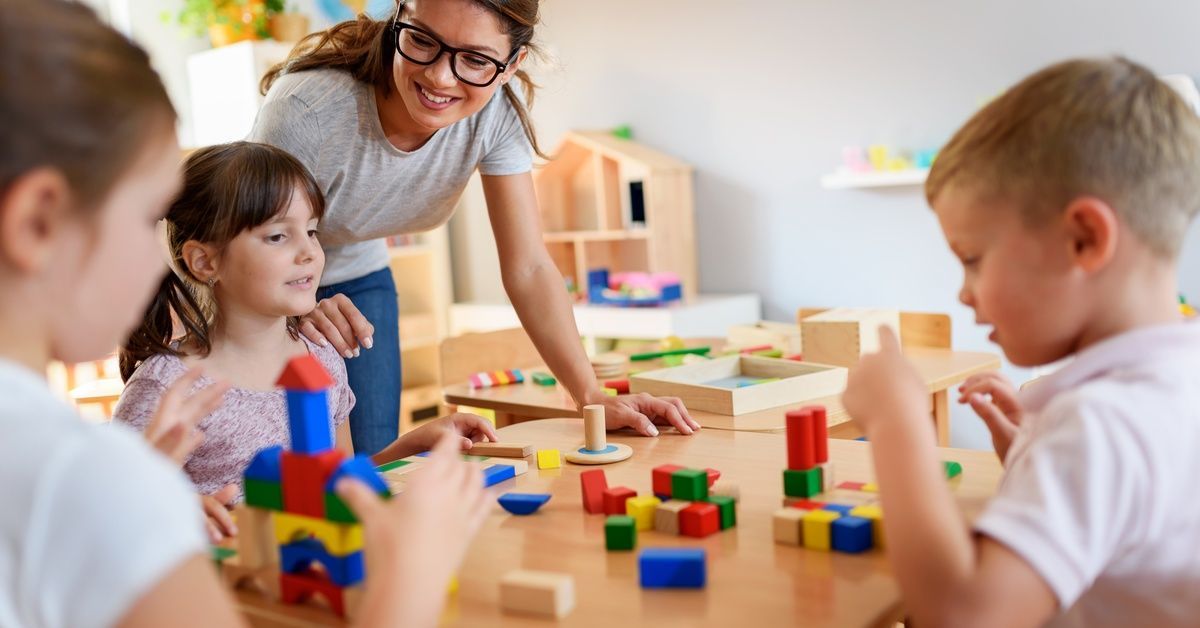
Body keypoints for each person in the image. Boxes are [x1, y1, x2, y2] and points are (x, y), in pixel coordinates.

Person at [0, 3, 490, 625]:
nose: (159, 257)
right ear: (38, 222)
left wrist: (398, 455)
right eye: (144, 215)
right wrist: (412, 580)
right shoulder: (91, 476)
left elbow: (330, 477)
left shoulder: (312, 362)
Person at [841, 57, 1200, 626]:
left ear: (1083, 239)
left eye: (972, 260)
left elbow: (963, 614)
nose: (964, 293)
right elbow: (1133, 511)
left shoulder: (1101, 423)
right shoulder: (1175, 382)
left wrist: (896, 421)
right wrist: (1031, 453)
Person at [252, 0, 700, 456]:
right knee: (279, 456)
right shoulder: (308, 109)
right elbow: (241, 239)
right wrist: (297, 308)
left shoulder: (495, 114)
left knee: (371, 460)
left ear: (511, 65)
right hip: (258, 274)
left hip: (357, 274)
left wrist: (592, 397)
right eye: (422, 40)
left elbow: (527, 267)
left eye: (475, 59)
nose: (440, 77)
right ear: (397, 19)